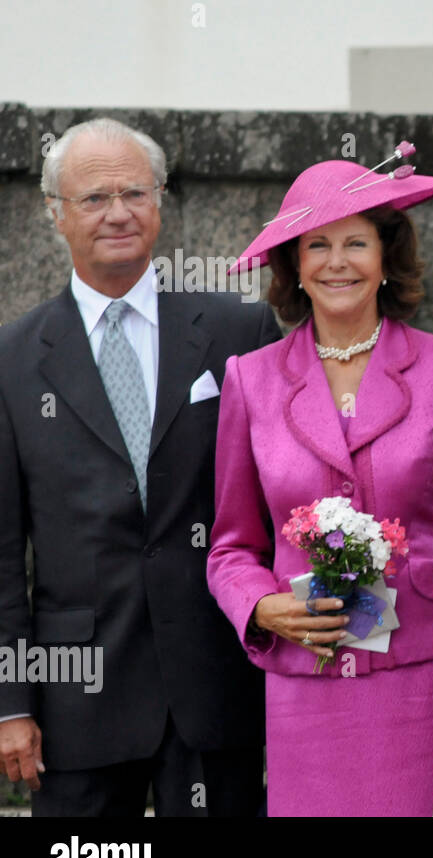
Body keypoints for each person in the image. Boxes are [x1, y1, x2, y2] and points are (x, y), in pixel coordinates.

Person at [0, 118, 280, 816]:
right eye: (94, 198)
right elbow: (3, 552)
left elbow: (277, 503)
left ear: (160, 201)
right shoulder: (11, 359)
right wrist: (10, 704)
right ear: (54, 214)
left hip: (219, 680)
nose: (118, 212)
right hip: (77, 698)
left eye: (135, 191)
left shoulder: (238, 330)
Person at [206, 148, 433, 816]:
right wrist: (261, 606)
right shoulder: (251, 379)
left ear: (386, 256)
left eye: (356, 242)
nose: (337, 261)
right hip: (306, 681)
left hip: (424, 673)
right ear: (294, 263)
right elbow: (230, 546)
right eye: (317, 245)